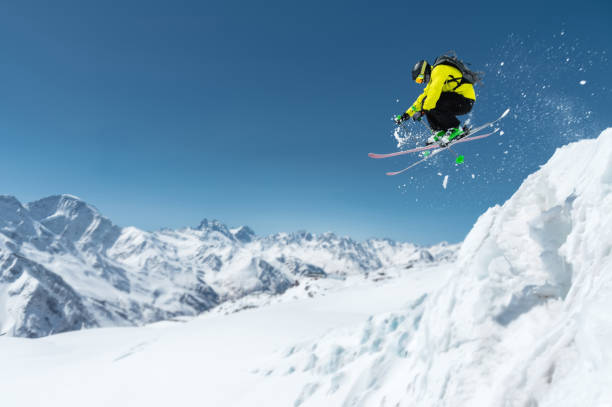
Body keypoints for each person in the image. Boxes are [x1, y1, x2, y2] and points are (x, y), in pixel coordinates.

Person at [395, 58, 477, 146]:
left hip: (465, 101)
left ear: (425, 71)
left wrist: (423, 111)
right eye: (418, 81)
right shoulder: (432, 80)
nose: (422, 81)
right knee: (426, 102)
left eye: (420, 78)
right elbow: (421, 99)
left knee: (431, 103)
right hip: (455, 100)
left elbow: (434, 92)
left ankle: (455, 129)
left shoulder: (439, 70)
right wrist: (407, 114)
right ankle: (441, 130)